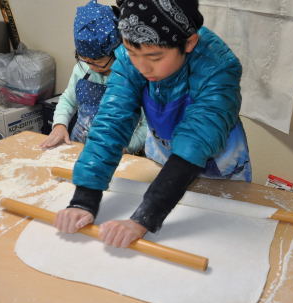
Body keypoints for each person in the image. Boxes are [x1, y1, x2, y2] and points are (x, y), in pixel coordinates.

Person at [54, 0, 251, 248]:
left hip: (218, 162)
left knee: (212, 238)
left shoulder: (219, 65)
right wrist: (85, 198)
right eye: (132, 53)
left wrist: (145, 217)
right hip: (163, 154)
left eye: (154, 57)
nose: (142, 66)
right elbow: (112, 122)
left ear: (188, 43)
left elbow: (199, 136)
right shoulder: (131, 57)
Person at [40, 0, 147, 154]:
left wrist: (126, 148)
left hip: (120, 154)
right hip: (80, 147)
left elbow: (146, 126)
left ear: (116, 52)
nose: (91, 67)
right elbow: (68, 100)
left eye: (98, 63)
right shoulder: (82, 69)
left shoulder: (135, 76)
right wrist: (60, 125)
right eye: (85, 60)